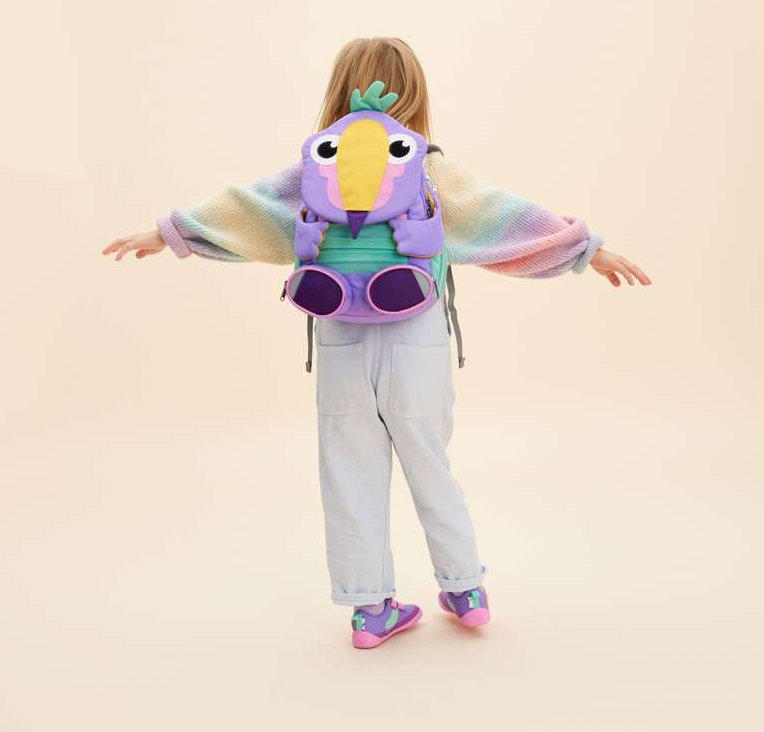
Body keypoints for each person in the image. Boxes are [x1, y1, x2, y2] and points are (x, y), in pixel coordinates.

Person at [103, 37, 651, 649]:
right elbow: (501, 218)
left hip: (339, 327)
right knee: (429, 458)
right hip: (416, 331)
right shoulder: (426, 167)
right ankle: (466, 590)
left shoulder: (317, 166)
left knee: (349, 466)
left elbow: (247, 210)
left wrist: (170, 233)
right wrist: (585, 250)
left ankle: (370, 610)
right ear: (415, 93)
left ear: (338, 90)